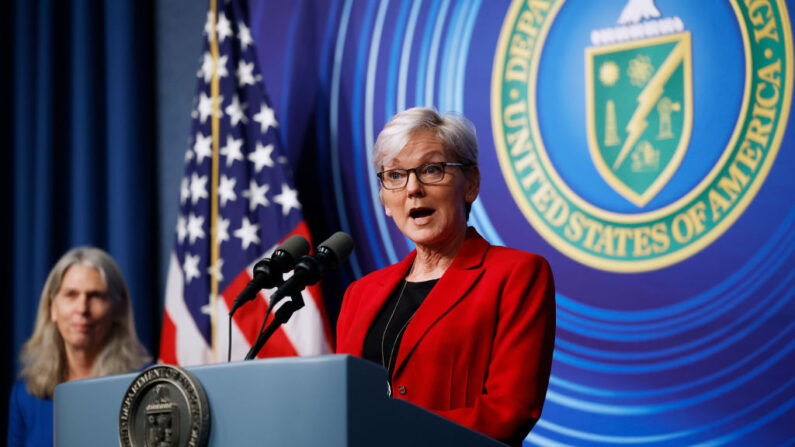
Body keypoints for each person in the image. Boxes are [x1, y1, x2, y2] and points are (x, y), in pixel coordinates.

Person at [336, 107, 556, 446]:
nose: (412, 188)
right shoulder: (359, 294)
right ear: (384, 199)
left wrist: (393, 435)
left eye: (431, 170)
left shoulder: (516, 275)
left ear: (470, 184)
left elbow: (509, 411)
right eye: (395, 175)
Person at [7, 247, 151, 447]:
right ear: (52, 308)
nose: (82, 308)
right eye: (71, 295)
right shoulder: (25, 395)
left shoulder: (147, 387)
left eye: (96, 296)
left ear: (119, 309)